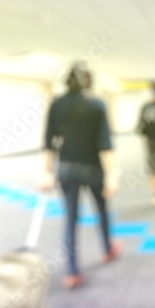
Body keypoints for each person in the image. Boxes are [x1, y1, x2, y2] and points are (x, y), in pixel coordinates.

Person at [40, 61, 122, 289]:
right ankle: (108, 249)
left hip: (66, 167)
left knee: (71, 218)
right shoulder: (96, 104)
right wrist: (112, 175)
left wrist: (46, 172)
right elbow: (104, 144)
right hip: (93, 168)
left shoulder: (56, 104)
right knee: (102, 210)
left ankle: (72, 271)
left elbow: (49, 141)